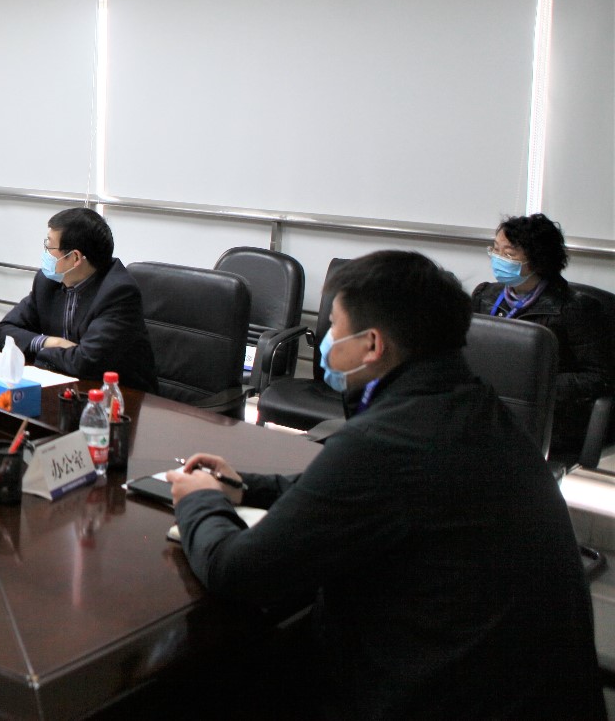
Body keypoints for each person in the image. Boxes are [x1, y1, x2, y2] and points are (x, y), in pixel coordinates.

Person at [168, 251, 601, 720]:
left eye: (334, 327)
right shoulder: (474, 407)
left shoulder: (389, 440)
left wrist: (200, 500)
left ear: (372, 345)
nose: (326, 341)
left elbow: (238, 571)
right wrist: (247, 488)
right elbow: (364, 492)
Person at [471, 213, 614, 464]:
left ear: (537, 260)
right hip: (491, 404)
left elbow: (600, 377)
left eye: (508, 254)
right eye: (495, 249)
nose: (498, 258)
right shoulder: (486, 296)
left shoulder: (575, 309)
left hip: (548, 415)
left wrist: (537, 386)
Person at [0, 207, 157, 393]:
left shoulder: (118, 293)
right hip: (67, 388)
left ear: (75, 257)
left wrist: (37, 350)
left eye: (49, 247)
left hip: (120, 397)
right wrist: (51, 342)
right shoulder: (47, 283)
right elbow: (1, 333)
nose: (46, 254)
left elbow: (85, 362)